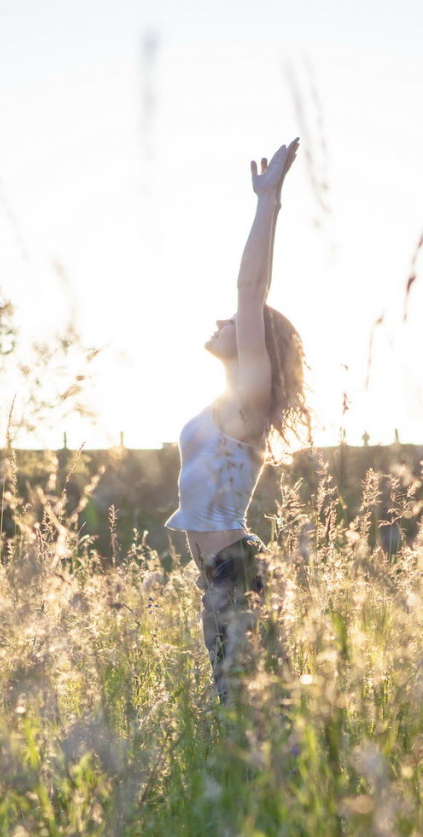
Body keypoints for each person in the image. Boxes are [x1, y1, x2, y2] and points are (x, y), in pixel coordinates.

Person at [165, 138, 311, 702]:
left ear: (256, 345)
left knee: (244, 716)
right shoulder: (225, 404)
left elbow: (251, 290)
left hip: (234, 571)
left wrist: (267, 202)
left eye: (235, 323)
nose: (224, 321)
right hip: (221, 575)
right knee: (240, 715)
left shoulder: (250, 401)